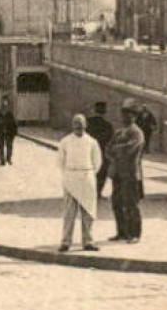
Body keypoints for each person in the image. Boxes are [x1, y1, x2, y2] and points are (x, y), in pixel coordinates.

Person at [55, 113, 102, 252]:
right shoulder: (65, 141)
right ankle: (65, 242)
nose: (78, 127)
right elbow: (60, 162)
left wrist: (89, 174)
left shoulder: (92, 142)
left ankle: (88, 241)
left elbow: (97, 162)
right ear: (72, 126)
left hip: (87, 178)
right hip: (71, 179)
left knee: (88, 212)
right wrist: (69, 175)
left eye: (81, 125)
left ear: (85, 125)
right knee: (69, 213)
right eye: (76, 124)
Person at [106, 103, 146, 244]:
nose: (125, 117)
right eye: (123, 114)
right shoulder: (118, 132)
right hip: (117, 173)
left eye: (129, 114)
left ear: (134, 117)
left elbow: (129, 149)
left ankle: (134, 234)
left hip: (130, 173)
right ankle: (122, 232)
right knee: (117, 203)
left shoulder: (137, 133)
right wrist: (116, 151)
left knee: (131, 204)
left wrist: (116, 150)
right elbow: (108, 149)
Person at [86, 101, 115, 199]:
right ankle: (98, 192)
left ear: (94, 110)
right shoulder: (108, 125)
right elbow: (111, 141)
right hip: (102, 152)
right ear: (105, 112)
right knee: (102, 172)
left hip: (88, 152)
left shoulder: (87, 122)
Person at [0, 97, 19, 166]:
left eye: (6, 106)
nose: (4, 108)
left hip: (9, 133)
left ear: (7, 106)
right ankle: (2, 160)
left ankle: (8, 159)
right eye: (3, 106)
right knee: (1, 147)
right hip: (0, 133)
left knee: (9, 146)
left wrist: (14, 133)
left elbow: (14, 124)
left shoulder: (10, 114)